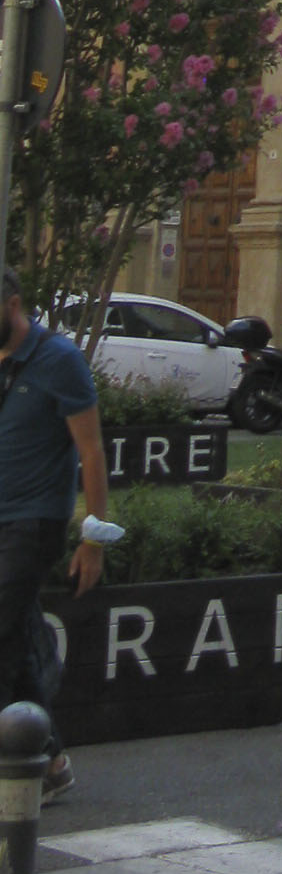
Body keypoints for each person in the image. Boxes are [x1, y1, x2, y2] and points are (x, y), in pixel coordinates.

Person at [0, 268, 111, 809]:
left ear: (14, 305)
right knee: (16, 645)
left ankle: (12, 769)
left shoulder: (58, 359)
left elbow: (91, 450)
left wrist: (93, 539)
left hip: (34, 522)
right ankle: (51, 764)